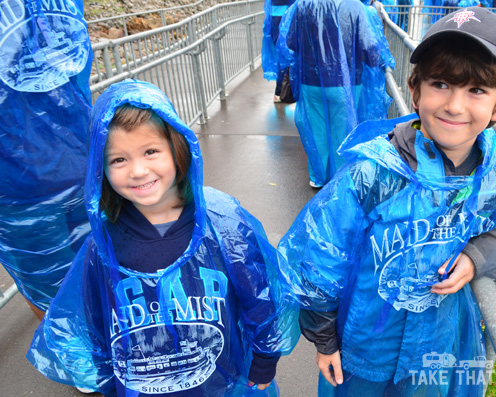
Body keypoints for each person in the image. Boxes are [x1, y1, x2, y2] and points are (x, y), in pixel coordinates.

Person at [277, 7, 496, 396]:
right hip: (365, 345)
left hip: (437, 347)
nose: (455, 106)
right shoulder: (374, 173)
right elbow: (321, 256)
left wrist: (478, 256)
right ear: (415, 90)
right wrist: (324, 339)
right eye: (441, 84)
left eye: (476, 90)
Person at [27, 80, 299, 396]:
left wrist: (265, 358)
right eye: (119, 160)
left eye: (151, 151)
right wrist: (106, 381)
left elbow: (261, 296)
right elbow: (91, 321)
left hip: (224, 382)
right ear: (100, 170)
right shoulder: (103, 245)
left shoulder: (223, 222)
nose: (138, 170)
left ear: (177, 148)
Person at [0, 0, 92, 319]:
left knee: (105, 279)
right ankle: (78, 366)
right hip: (15, 191)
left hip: (84, 165)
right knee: (53, 305)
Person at [277, 0, 394, 188]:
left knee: (316, 130)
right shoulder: (356, 6)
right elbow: (369, 47)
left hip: (310, 80)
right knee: (343, 131)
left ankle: (318, 177)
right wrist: (380, 63)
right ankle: (339, 181)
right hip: (346, 84)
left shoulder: (302, 5)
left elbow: (290, 41)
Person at [262, 0, 296, 102]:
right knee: (285, 60)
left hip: (274, 25)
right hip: (284, 24)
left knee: (282, 60)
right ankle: (281, 92)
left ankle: (280, 92)